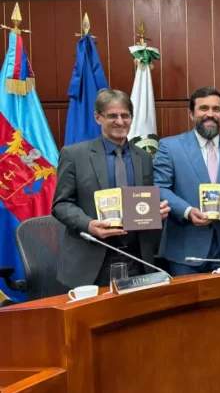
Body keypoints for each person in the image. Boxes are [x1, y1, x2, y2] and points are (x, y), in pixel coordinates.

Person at [52, 89, 171, 289]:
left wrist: (157, 213)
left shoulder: (144, 157)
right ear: (98, 118)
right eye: (112, 116)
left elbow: (143, 202)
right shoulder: (74, 155)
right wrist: (89, 225)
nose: (120, 121)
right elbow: (61, 204)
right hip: (90, 259)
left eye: (125, 115)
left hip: (136, 258)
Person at [153, 87, 220, 276]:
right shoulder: (170, 146)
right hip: (185, 249)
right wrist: (188, 211)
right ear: (191, 114)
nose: (210, 114)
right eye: (204, 108)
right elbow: (160, 187)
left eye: (216, 109)